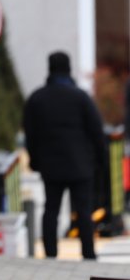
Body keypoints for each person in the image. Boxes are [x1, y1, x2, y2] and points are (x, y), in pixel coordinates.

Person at [23, 51, 107, 260]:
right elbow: (97, 131)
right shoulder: (80, 97)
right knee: (83, 210)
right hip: (80, 165)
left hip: (50, 166)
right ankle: (88, 253)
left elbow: (30, 134)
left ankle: (51, 254)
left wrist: (35, 160)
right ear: (69, 69)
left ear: (49, 68)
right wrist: (101, 160)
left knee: (51, 209)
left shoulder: (37, 98)